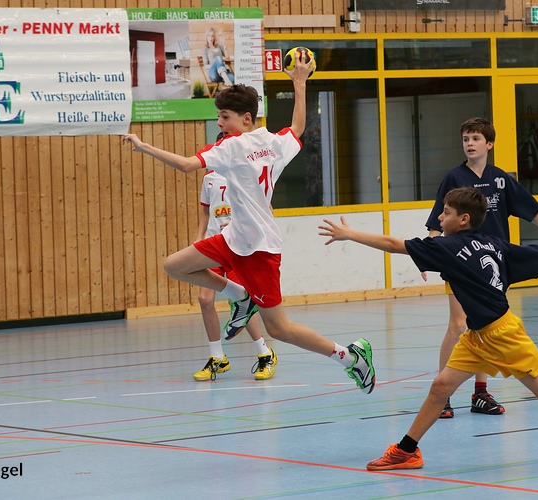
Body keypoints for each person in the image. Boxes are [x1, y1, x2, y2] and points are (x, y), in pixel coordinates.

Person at [318, 187, 538, 470]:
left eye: (446, 213)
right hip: (478, 335)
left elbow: (393, 244)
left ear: (463, 219)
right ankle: (407, 451)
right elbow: (534, 252)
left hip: (503, 335)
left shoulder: (446, 248)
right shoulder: (492, 244)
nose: (439, 218)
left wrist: (351, 234)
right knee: (441, 386)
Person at [121, 53, 376, 394]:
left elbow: (185, 165)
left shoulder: (231, 146)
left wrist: (144, 147)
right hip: (233, 238)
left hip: (260, 248)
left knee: (280, 329)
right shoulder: (273, 142)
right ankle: (240, 295)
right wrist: (300, 84)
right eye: (218, 116)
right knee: (175, 265)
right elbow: (298, 127)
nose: (220, 123)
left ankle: (350, 357)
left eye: (224, 117)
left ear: (245, 118)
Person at [425, 117, 538, 419]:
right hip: (460, 264)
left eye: (476, 138)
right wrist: (431, 252)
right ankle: (443, 394)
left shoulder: (501, 179)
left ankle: (480, 393)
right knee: (458, 324)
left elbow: (528, 210)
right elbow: (437, 220)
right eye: (466, 139)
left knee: (483, 326)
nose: (470, 143)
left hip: (492, 265)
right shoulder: (454, 177)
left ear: (489, 144)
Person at [194, 163, 277, 381]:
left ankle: (265, 353)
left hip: (238, 247)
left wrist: (239, 225)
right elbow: (205, 212)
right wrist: (198, 237)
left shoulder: (245, 174)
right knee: (204, 300)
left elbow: (266, 211)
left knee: (240, 303)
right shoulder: (209, 178)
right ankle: (218, 358)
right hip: (214, 245)